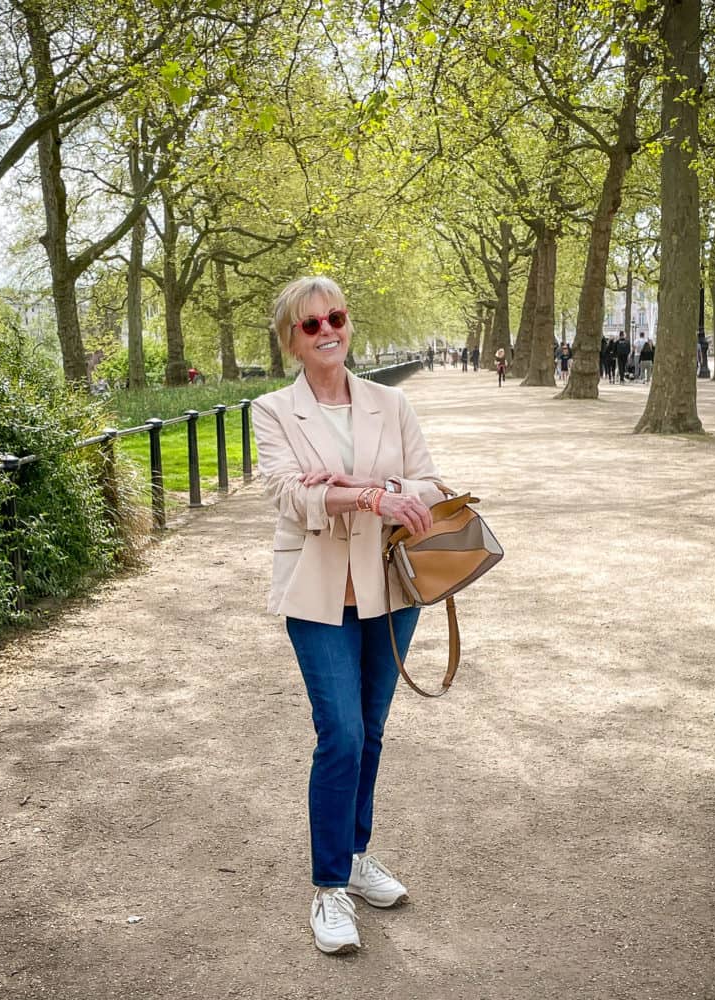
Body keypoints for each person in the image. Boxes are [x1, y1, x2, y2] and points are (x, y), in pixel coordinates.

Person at [251, 276, 443, 956]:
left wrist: (346, 489)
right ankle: (330, 887)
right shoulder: (273, 410)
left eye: (336, 315)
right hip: (318, 592)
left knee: (372, 729)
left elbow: (428, 485)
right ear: (291, 339)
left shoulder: (391, 404)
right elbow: (286, 494)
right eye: (311, 324)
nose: (328, 328)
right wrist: (372, 495)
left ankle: (357, 857)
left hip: (390, 590)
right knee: (340, 734)